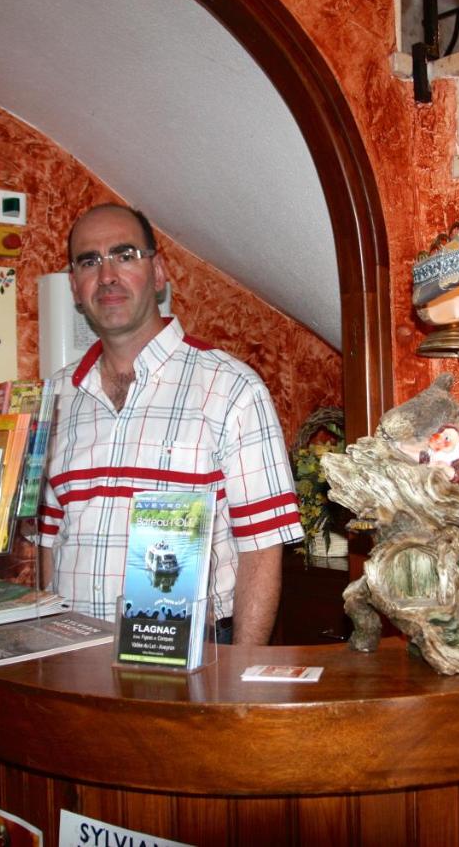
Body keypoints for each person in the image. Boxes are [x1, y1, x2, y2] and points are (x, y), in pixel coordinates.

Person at [37, 203, 302, 644]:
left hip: (191, 653)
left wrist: (240, 671)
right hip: (72, 652)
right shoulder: (55, 396)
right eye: (89, 261)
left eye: (125, 256)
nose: (107, 276)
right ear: (75, 288)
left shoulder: (232, 388)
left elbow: (262, 548)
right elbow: (50, 540)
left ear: (158, 272)